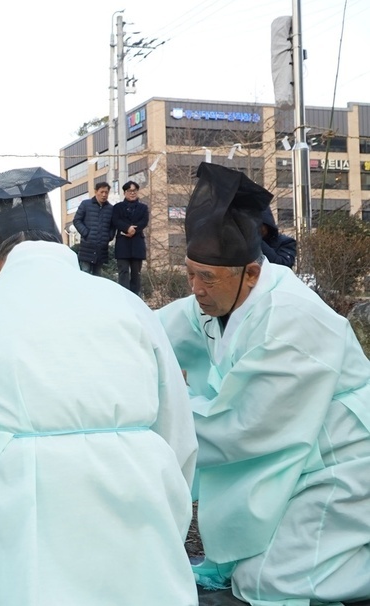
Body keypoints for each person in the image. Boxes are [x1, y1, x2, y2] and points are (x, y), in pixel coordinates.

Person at [0, 168, 198, 606]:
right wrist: (163, 494)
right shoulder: (128, 303)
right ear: (60, 246)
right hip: (135, 488)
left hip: (19, 495)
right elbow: (175, 425)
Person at [158, 162, 370, 605]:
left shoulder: (291, 321)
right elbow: (154, 329)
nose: (195, 288)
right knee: (243, 570)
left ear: (251, 273)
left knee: (270, 582)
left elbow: (241, 427)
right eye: (190, 273)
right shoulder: (221, 295)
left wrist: (163, 401)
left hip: (341, 459)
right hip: (298, 450)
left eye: (206, 277)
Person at [111, 180, 149, 295]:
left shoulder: (143, 207)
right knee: (123, 272)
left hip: (137, 243)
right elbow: (115, 220)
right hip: (123, 244)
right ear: (125, 192)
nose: (132, 193)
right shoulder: (117, 207)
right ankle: (124, 296)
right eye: (129, 191)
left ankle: (136, 296)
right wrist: (127, 228)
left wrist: (134, 230)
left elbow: (144, 221)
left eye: (134, 191)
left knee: (136, 273)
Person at [72, 180, 114, 275]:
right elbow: (77, 220)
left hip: (101, 249)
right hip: (87, 247)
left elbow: (113, 226)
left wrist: (109, 237)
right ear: (96, 192)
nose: (104, 195)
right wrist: (86, 233)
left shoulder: (111, 209)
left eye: (106, 192)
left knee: (97, 277)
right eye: (101, 192)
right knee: (85, 275)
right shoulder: (85, 204)